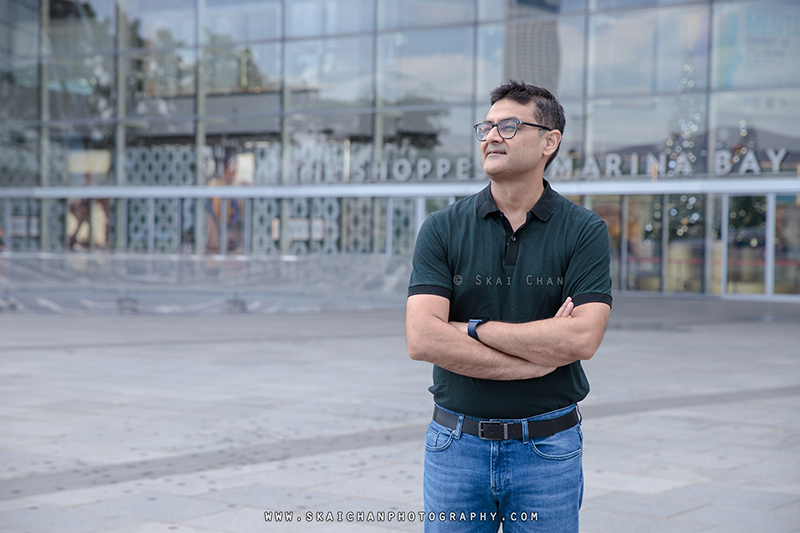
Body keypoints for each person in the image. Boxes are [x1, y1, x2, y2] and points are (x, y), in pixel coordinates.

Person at [405, 80, 612, 532]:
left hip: (548, 449)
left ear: (549, 142)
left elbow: (581, 337)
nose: (491, 136)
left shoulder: (584, 231)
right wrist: (533, 361)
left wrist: (470, 328)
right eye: (487, 126)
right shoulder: (442, 228)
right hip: (455, 447)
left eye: (510, 126)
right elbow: (422, 339)